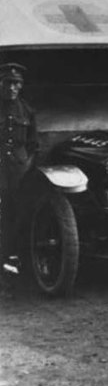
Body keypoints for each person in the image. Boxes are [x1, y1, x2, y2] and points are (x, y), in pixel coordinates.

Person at [0, 63, 38, 271]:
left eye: (16, 83)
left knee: (18, 212)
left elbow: (34, 145)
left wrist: (26, 165)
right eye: (8, 82)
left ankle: (13, 256)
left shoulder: (27, 110)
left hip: (18, 171)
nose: (12, 87)